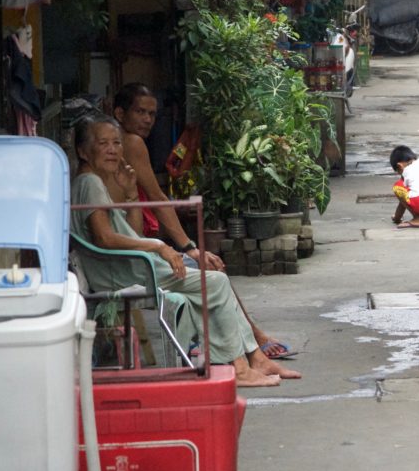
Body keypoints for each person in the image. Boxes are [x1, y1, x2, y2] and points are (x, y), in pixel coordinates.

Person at [71, 116, 283, 389]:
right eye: (103, 144)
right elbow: (105, 237)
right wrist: (160, 246)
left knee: (211, 281)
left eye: (116, 143)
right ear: (82, 151)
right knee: (215, 283)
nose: (113, 149)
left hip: (130, 268)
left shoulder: (94, 182)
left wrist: (131, 194)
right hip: (125, 274)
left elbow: (134, 234)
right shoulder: (89, 182)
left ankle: (249, 359)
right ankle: (239, 365)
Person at [112, 82, 296, 366]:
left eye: (151, 113)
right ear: (120, 114)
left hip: (139, 246)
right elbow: (158, 199)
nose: (148, 119)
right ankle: (252, 343)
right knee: (208, 268)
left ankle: (252, 340)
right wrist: (189, 246)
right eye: (140, 112)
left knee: (208, 268)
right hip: (136, 254)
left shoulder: (125, 144)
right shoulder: (130, 143)